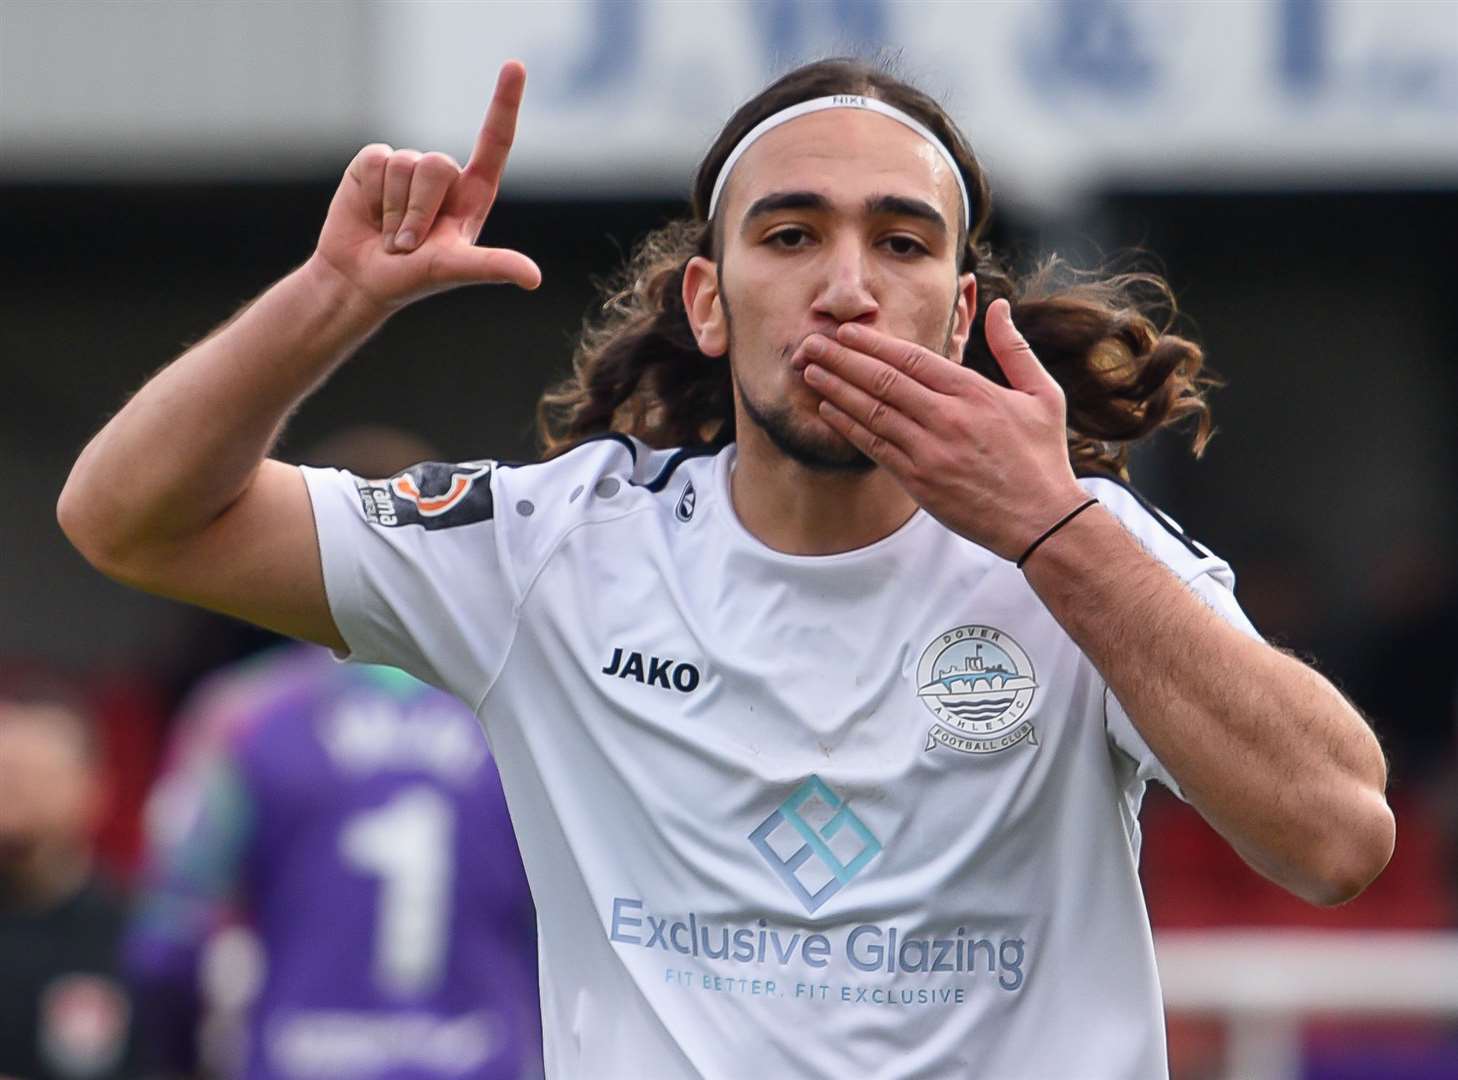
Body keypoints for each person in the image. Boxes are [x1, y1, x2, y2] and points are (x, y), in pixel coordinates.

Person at [58, 57, 1395, 1078]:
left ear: (957, 310)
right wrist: (330, 301)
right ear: (709, 301)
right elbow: (133, 520)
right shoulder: (551, 553)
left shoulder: (1088, 556)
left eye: (901, 241)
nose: (847, 287)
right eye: (790, 234)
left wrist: (1052, 531)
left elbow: (1336, 838)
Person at [125, 641, 541, 1080]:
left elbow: (167, 942)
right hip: (483, 1058)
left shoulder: (248, 712)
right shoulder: (525, 716)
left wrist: (183, 1057)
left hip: (295, 1057)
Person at [0, 686, 138, 1080]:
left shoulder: (135, 935)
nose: (12, 793)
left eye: (34, 775)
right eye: (3, 772)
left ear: (94, 790)